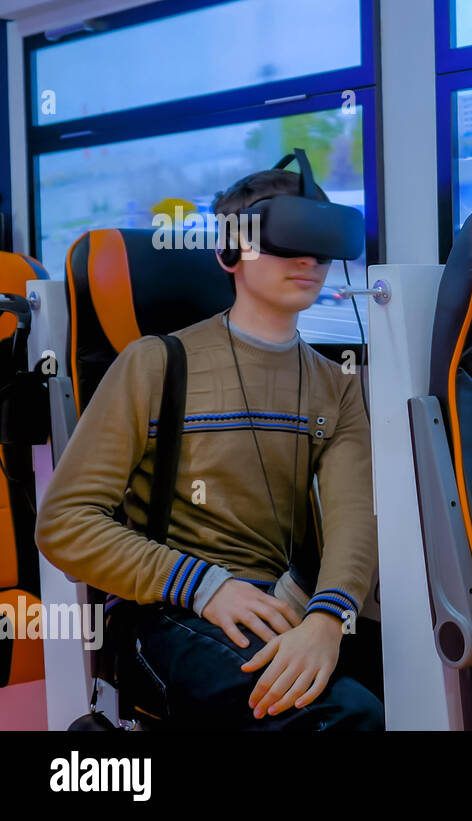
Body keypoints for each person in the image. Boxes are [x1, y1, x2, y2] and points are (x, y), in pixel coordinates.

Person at [34, 165, 382, 730]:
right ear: (230, 253)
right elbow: (65, 522)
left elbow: (351, 518)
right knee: (343, 717)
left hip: (288, 603)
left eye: (321, 243)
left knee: (413, 680)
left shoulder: (336, 385)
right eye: (287, 239)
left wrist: (327, 617)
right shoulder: (156, 364)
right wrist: (204, 586)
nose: (309, 259)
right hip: (169, 612)